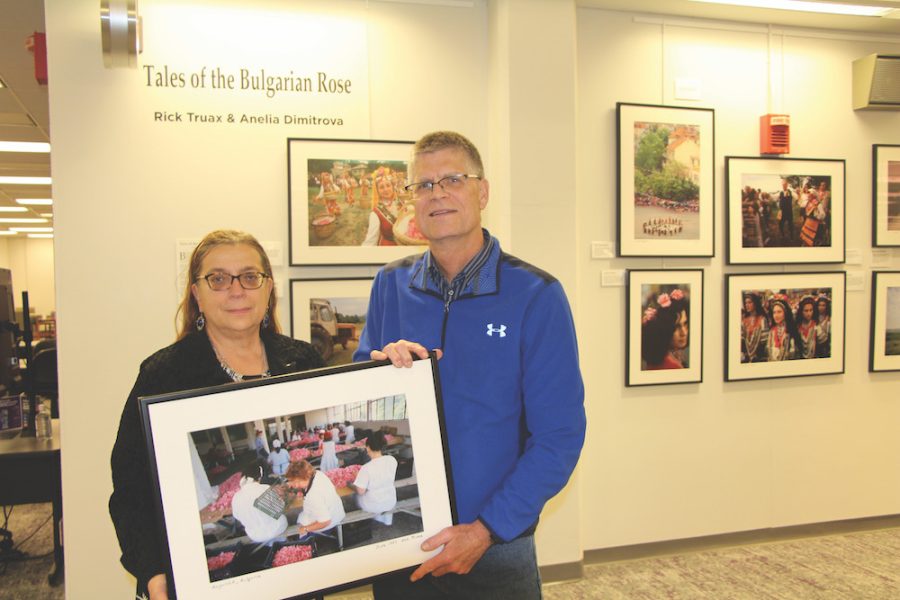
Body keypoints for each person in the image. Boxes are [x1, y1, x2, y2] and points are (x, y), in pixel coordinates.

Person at [354, 131, 586, 599]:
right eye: (423, 185)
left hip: (497, 543)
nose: (437, 194)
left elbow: (559, 437)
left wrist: (484, 531)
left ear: (482, 191)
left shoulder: (536, 295)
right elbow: (360, 401)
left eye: (452, 179)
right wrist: (378, 370)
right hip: (405, 537)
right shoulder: (390, 285)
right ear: (411, 201)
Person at [108, 230, 324, 600]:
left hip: (297, 584)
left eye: (250, 277)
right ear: (197, 293)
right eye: (219, 279)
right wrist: (153, 571)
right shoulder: (164, 375)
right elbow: (131, 488)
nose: (237, 290)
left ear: (268, 287)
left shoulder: (302, 360)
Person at [231, 463, 289, 543]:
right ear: (259, 477)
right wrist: (281, 498)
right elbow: (280, 509)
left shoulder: (236, 497)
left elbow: (237, 517)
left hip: (255, 535)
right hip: (276, 529)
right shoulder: (264, 488)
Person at [285, 460, 346, 536]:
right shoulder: (317, 474)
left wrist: (305, 528)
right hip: (337, 511)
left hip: (330, 522)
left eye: (293, 481)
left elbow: (326, 521)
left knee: (301, 521)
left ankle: (307, 538)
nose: (292, 484)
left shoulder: (313, 496)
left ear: (300, 479)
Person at [353, 431, 398, 525]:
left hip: (374, 505)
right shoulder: (392, 460)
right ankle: (385, 519)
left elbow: (361, 491)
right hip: (391, 501)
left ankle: (363, 522)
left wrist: (356, 477)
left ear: (368, 447)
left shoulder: (366, 468)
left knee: (356, 496)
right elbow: (382, 475)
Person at [640, 288, 689, 370]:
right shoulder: (670, 365)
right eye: (677, 327)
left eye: (685, 324)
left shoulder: (671, 356)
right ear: (665, 329)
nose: (684, 332)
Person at [362, 167, 404, 246]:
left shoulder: (402, 203)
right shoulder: (376, 213)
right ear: (377, 191)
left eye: (388, 185)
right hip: (388, 248)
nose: (386, 189)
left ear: (392, 187)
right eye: (381, 187)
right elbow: (371, 240)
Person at [766, 295, 801, 361]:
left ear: (785, 313)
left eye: (779, 312)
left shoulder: (792, 331)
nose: (776, 315)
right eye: (774, 312)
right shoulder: (772, 331)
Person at [741, 293, 768, 363]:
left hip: (759, 357)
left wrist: (757, 355)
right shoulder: (744, 321)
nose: (747, 305)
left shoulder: (762, 319)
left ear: (755, 303)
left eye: (749, 302)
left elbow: (764, 341)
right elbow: (742, 338)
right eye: (746, 303)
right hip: (746, 356)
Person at [777, 179, 795, 243]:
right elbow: (780, 201)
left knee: (790, 224)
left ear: (787, 185)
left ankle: (791, 237)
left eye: (785, 184)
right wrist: (779, 209)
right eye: (783, 185)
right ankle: (782, 235)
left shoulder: (789, 192)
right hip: (782, 211)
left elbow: (791, 199)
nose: (784, 186)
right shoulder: (781, 192)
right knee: (780, 224)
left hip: (789, 211)